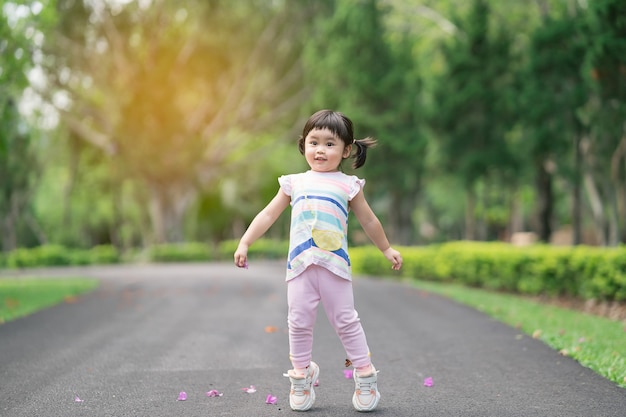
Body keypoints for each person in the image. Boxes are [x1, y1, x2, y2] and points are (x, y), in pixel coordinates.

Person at [234, 109, 402, 412]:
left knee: (346, 321)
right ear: (303, 145)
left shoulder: (349, 185)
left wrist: (386, 249)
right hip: (300, 267)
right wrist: (246, 241)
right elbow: (268, 214)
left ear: (346, 150)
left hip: (335, 267)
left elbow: (369, 221)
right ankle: (301, 374)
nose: (320, 150)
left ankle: (364, 373)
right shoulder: (293, 183)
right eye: (314, 142)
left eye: (329, 144)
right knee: (298, 322)